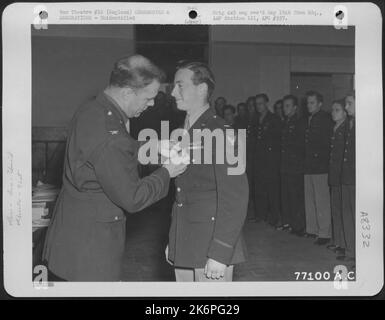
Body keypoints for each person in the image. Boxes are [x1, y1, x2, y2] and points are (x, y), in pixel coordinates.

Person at [43, 55, 187, 281]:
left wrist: (154, 147)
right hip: (91, 250)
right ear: (128, 92)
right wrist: (167, 171)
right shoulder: (111, 135)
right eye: (148, 98)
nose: (151, 105)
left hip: (70, 235)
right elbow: (133, 197)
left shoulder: (93, 108)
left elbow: (110, 154)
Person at [166, 61, 249, 282]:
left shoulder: (221, 132)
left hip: (210, 246)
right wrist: (175, 240)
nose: (173, 92)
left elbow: (235, 197)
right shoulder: (185, 131)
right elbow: (183, 193)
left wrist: (221, 253)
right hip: (186, 241)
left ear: (202, 89)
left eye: (179, 85)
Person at [303, 90, 334, 245]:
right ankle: (312, 229)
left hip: (320, 165)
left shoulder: (324, 118)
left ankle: (324, 233)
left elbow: (325, 143)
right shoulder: (310, 118)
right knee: (310, 199)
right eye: (308, 102)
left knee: (321, 200)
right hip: (309, 165)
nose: (309, 105)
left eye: (312, 102)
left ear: (320, 104)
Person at [254, 93, 282, 227]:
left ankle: (274, 218)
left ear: (266, 103)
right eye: (257, 104)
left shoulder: (274, 119)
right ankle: (261, 215)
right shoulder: (255, 119)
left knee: (272, 191)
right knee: (260, 189)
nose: (258, 106)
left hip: (270, 161)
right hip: (259, 161)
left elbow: (276, 142)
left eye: (261, 103)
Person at [280, 95, 306, 235]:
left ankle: (298, 226)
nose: (285, 108)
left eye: (288, 106)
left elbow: (299, 146)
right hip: (286, 165)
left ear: (295, 108)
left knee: (295, 197)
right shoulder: (286, 122)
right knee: (287, 196)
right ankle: (289, 223)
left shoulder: (299, 122)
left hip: (295, 166)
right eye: (284, 106)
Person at [327, 99, 348, 257]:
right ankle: (338, 241)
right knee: (335, 209)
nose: (334, 113)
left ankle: (343, 243)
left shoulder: (346, 128)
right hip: (334, 174)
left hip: (341, 176)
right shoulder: (335, 128)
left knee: (341, 210)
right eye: (333, 110)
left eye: (337, 110)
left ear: (345, 113)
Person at [338, 92, 355, 266]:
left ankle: (360, 254)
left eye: (349, 103)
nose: (346, 107)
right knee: (347, 215)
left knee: (356, 216)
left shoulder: (362, 125)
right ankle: (351, 251)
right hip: (347, 176)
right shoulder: (350, 123)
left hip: (357, 178)